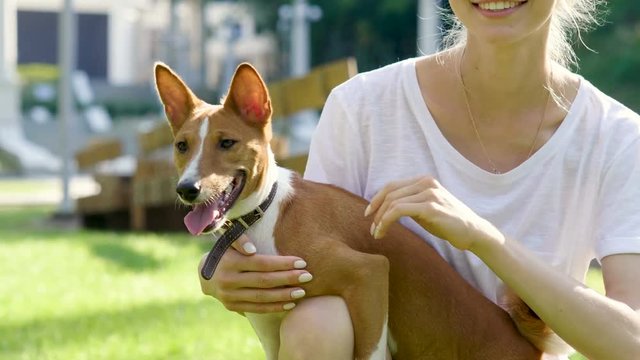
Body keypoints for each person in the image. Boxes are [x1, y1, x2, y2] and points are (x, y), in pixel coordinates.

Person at [199, 1, 640, 359]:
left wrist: (485, 239)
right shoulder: (363, 108)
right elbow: (311, 279)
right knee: (318, 318)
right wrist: (214, 271)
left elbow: (631, 343)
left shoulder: (616, 137)